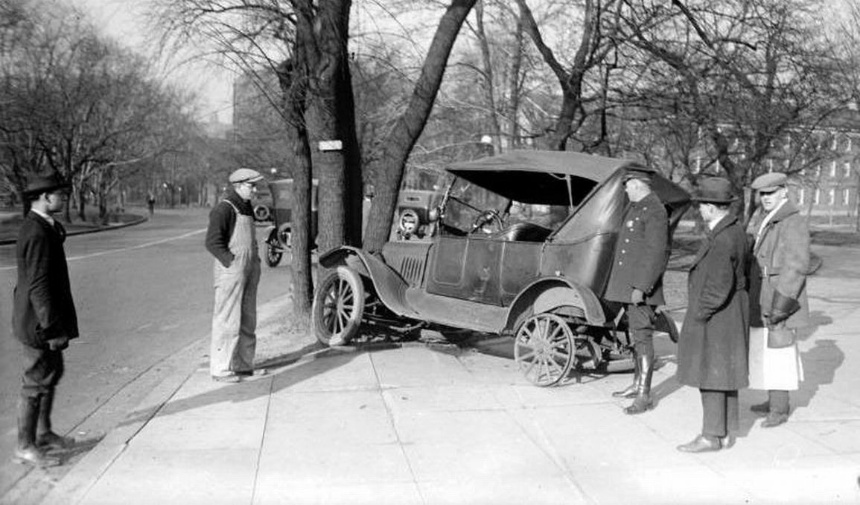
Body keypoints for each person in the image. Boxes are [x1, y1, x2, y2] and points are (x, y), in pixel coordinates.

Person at [676, 177, 750, 452]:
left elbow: (719, 286)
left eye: (702, 205)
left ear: (711, 207)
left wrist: (698, 314)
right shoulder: (736, 230)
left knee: (710, 374)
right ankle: (727, 430)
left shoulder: (722, 239)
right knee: (725, 373)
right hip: (731, 312)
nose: (699, 210)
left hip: (718, 314)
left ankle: (711, 436)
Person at [12, 174, 79, 467]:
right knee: (35, 383)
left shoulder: (43, 226)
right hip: (39, 323)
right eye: (59, 195)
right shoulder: (36, 232)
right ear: (43, 197)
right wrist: (52, 329)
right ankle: (25, 445)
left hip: (43, 319)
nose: (63, 199)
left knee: (51, 375)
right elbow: (38, 285)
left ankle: (43, 432)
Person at [746, 172, 810, 428]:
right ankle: (773, 399)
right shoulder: (768, 217)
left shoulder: (792, 220)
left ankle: (780, 408)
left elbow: (796, 265)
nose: (765, 198)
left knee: (780, 353)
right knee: (766, 350)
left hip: (778, 296)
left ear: (784, 191)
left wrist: (781, 305)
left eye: (770, 193)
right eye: (762, 194)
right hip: (764, 293)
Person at [605, 168, 670, 415]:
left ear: (640, 185)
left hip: (640, 289)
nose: (625, 189)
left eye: (628, 185)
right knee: (635, 335)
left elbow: (656, 253)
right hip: (628, 287)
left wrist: (642, 287)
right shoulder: (637, 208)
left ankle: (644, 394)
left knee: (642, 336)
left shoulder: (655, 210)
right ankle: (636, 384)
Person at [205, 168, 266, 383]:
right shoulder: (224, 209)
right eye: (251, 186)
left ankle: (243, 365)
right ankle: (221, 368)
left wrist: (254, 262)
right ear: (238, 186)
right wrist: (230, 262)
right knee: (227, 319)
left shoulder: (246, 207)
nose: (255, 190)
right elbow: (212, 242)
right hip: (231, 270)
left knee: (248, 318)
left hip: (249, 268)